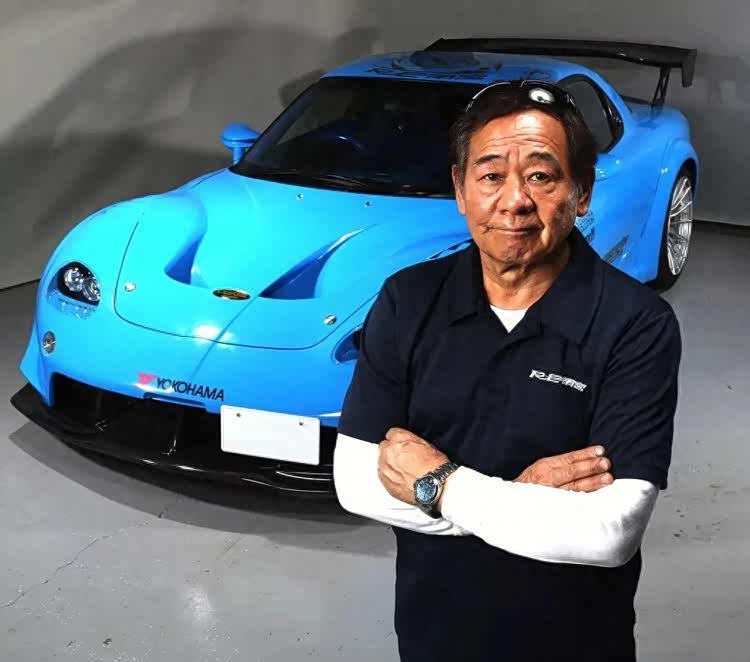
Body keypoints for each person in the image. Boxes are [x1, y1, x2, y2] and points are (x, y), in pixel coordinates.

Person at [333, 79, 682, 662]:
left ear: (582, 191)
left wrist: (438, 485)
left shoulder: (636, 324)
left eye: (542, 176)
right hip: (433, 634)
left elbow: (610, 532)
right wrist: (521, 500)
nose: (514, 200)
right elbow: (355, 482)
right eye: (491, 175)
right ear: (460, 189)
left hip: (574, 642)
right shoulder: (408, 300)